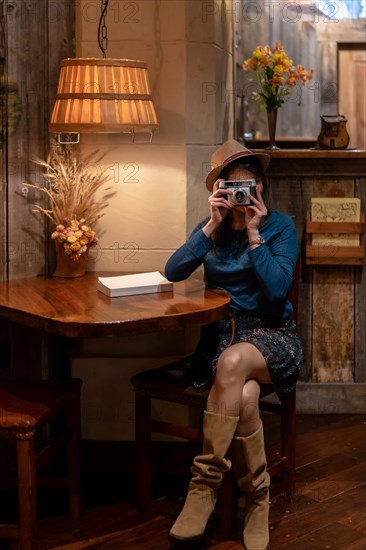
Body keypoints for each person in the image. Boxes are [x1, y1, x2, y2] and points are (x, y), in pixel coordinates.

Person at [164, 140, 302, 550]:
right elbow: (174, 270)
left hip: (272, 335)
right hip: (221, 338)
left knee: (235, 361)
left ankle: (202, 488)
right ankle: (258, 499)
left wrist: (256, 235)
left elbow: (277, 291)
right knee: (243, 399)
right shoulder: (214, 229)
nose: (243, 194)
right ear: (220, 189)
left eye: (250, 184)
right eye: (233, 186)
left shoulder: (280, 227)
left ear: (261, 187)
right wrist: (210, 224)